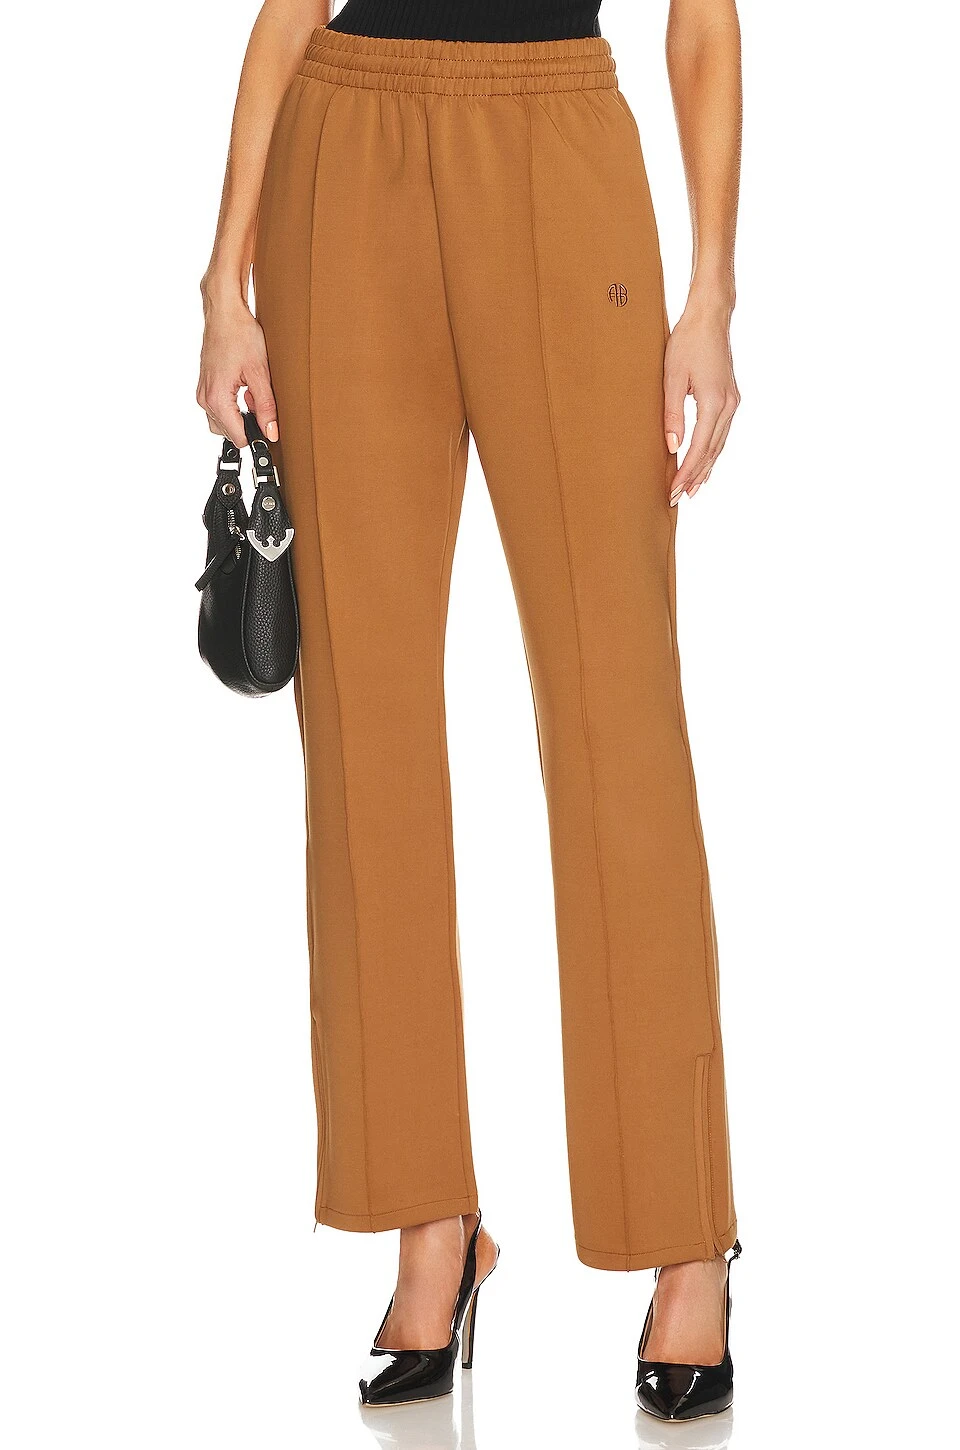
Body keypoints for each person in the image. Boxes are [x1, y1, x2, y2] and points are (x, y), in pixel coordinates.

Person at [197, 0, 743, 1420]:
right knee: (362, 726)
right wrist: (223, 284)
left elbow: (703, 20)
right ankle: (428, 1224)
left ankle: (686, 1234)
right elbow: (288, 9)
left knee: (619, 721)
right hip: (347, 151)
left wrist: (710, 296)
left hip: (558, 145)